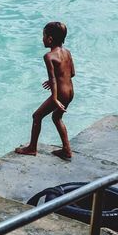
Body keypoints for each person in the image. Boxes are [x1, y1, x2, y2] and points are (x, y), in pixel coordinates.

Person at [15, 22, 75, 161]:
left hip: (60, 93)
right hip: (70, 91)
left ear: (50, 39)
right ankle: (66, 150)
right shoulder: (67, 52)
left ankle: (32, 148)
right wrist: (58, 81)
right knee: (57, 117)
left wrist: (54, 98)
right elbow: (71, 73)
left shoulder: (49, 56)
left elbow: (53, 79)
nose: (42, 39)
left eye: (43, 36)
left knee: (37, 116)